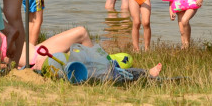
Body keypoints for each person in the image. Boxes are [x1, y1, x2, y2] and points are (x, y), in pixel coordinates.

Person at [15, 25, 162, 78]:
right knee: (81, 33)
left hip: (35, 50)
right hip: (35, 57)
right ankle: (110, 68)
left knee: (81, 38)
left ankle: (106, 65)